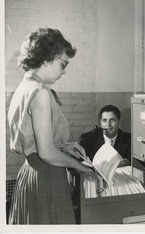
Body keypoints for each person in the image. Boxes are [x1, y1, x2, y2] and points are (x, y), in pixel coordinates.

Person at [7, 28, 93, 224]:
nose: (64, 71)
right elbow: (46, 153)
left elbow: (36, 141)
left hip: (30, 173)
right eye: (63, 64)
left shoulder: (24, 87)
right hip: (47, 176)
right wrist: (79, 166)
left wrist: (64, 146)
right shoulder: (41, 93)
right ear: (47, 59)